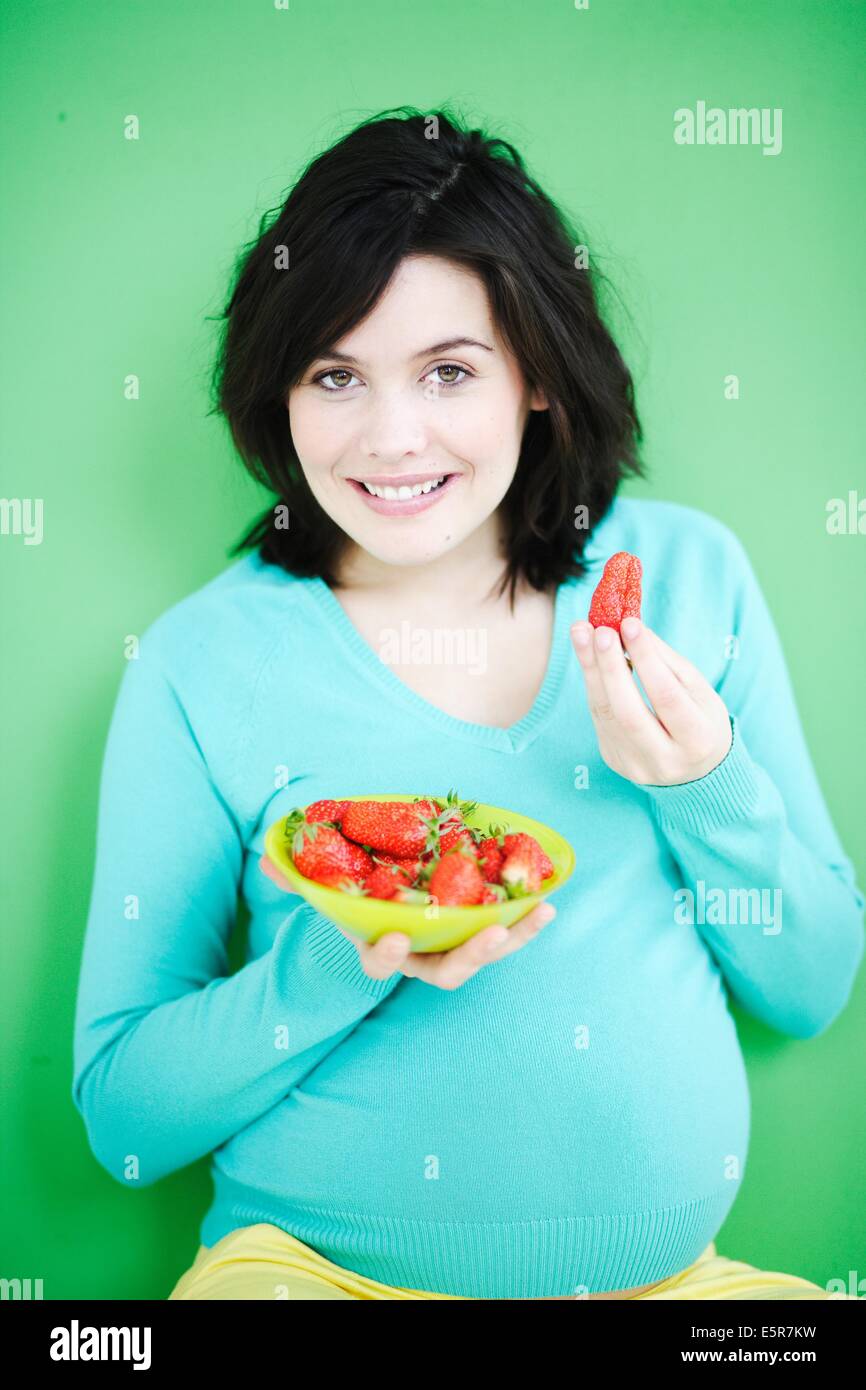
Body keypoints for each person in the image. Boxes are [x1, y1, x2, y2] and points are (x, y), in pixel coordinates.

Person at [72, 107, 864, 1301]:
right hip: (305, 1277)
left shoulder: (689, 580)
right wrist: (347, 957)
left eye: (448, 371)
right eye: (335, 374)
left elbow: (809, 991)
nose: (391, 440)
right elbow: (124, 1119)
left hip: (680, 1292)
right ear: (278, 393)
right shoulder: (199, 659)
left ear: (536, 378)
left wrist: (706, 790)